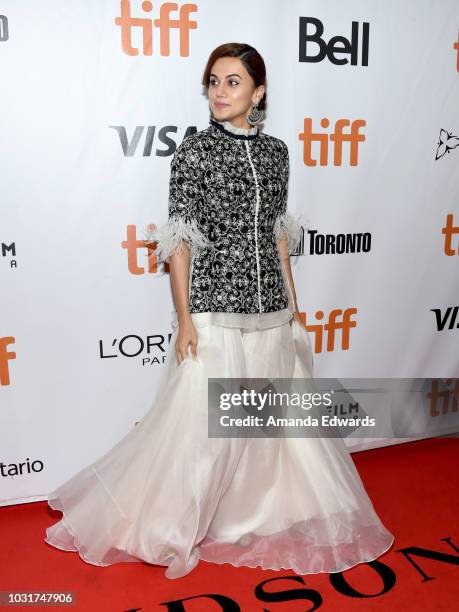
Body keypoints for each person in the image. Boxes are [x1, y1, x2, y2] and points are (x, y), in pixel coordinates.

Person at [45, 43, 394, 579]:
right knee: (203, 434)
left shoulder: (278, 153)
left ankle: (251, 511)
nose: (220, 92)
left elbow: (279, 236)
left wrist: (295, 307)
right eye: (213, 81)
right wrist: (185, 319)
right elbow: (179, 242)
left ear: (258, 93)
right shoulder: (193, 153)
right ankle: (166, 524)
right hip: (212, 309)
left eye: (233, 82)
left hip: (271, 311)